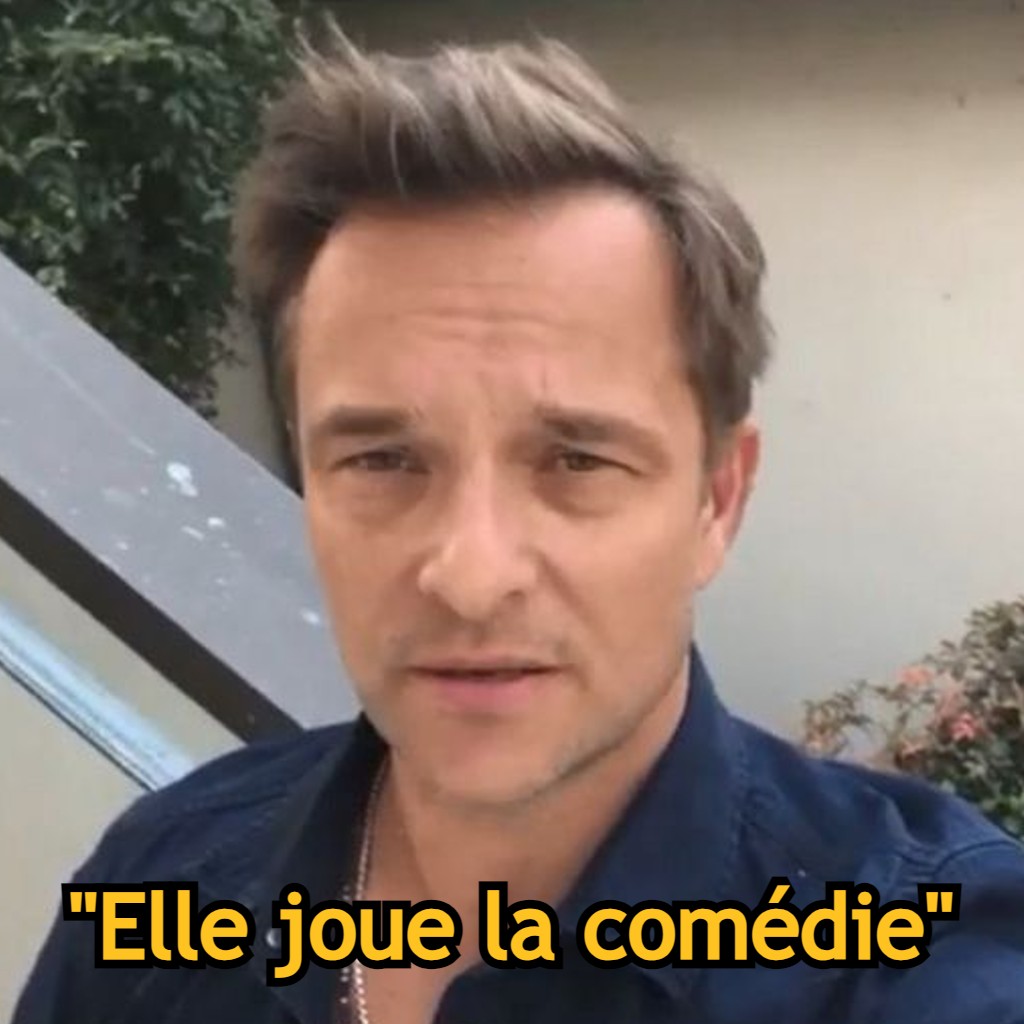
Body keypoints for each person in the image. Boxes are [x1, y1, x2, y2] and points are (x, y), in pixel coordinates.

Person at [14, 27, 1024, 1024]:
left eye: (576, 460)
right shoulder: (160, 895)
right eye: (382, 460)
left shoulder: (918, 964)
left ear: (716, 500)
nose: (470, 575)